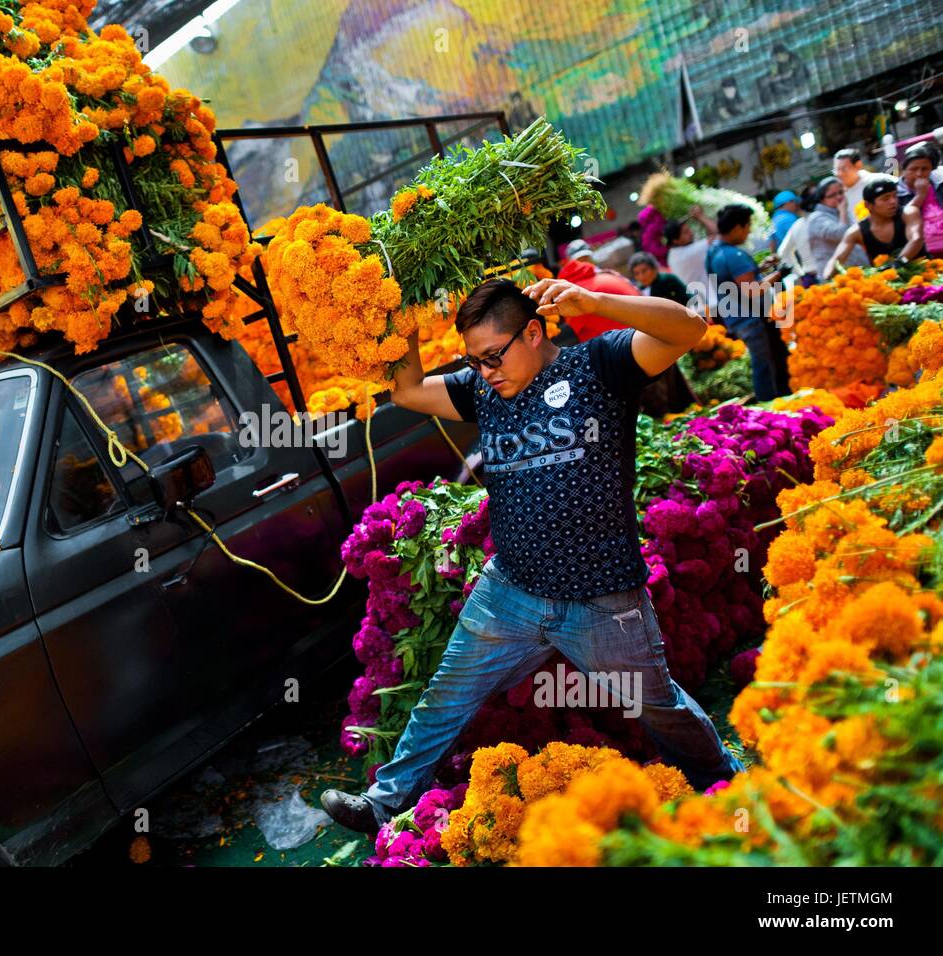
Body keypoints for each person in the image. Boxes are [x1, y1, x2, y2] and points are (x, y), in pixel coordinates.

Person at [318, 277, 744, 834]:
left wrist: (596, 303)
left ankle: (728, 780)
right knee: (445, 696)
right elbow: (407, 391)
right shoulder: (482, 391)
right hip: (510, 592)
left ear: (535, 332)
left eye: (494, 355)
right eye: (475, 360)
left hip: (601, 600)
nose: (485, 370)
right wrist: (403, 314)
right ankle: (382, 801)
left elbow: (689, 328)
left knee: (659, 707)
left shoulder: (601, 365)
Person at [705, 203, 790, 401]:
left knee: (762, 364)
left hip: (735, 316)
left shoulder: (714, 251)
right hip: (750, 318)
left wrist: (758, 269)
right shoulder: (734, 255)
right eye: (747, 226)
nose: (749, 231)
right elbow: (752, 290)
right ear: (736, 228)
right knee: (765, 366)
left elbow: (734, 279)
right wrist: (779, 274)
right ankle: (769, 404)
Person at [823, 176, 923, 277]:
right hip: (888, 282)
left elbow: (916, 240)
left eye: (894, 195)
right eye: (885, 198)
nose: (893, 201)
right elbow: (837, 259)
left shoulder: (909, 213)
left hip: (924, 272)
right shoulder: (856, 231)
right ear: (868, 205)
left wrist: (900, 262)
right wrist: (826, 280)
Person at [556, 239, 639, 341]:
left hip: (628, 336)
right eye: (579, 260)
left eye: (586, 258)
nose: (584, 262)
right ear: (569, 262)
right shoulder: (605, 276)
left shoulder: (607, 274)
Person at [806, 176, 868, 276]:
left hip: (858, 273)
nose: (839, 197)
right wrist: (843, 211)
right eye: (832, 195)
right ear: (822, 200)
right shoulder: (816, 218)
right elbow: (841, 235)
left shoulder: (842, 212)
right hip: (835, 277)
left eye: (841, 192)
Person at [663, 205, 719, 314]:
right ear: (675, 240)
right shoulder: (690, 252)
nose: (691, 233)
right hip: (711, 305)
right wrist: (700, 216)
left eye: (689, 230)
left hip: (701, 307)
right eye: (686, 232)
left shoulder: (673, 254)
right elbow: (718, 234)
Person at [899, 142, 943, 259]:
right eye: (913, 169)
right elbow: (899, 222)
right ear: (903, 171)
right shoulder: (896, 193)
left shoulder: (939, 185)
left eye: (925, 169)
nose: (919, 174)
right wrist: (920, 195)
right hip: (921, 256)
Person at [776, 185, 819, 284]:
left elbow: (781, 251)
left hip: (809, 275)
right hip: (829, 272)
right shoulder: (789, 219)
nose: (795, 205)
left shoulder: (791, 223)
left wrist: (799, 273)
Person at [833, 147, 873, 222]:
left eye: (843, 169)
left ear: (858, 165)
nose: (839, 174)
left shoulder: (874, 181)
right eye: (837, 169)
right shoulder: (837, 194)